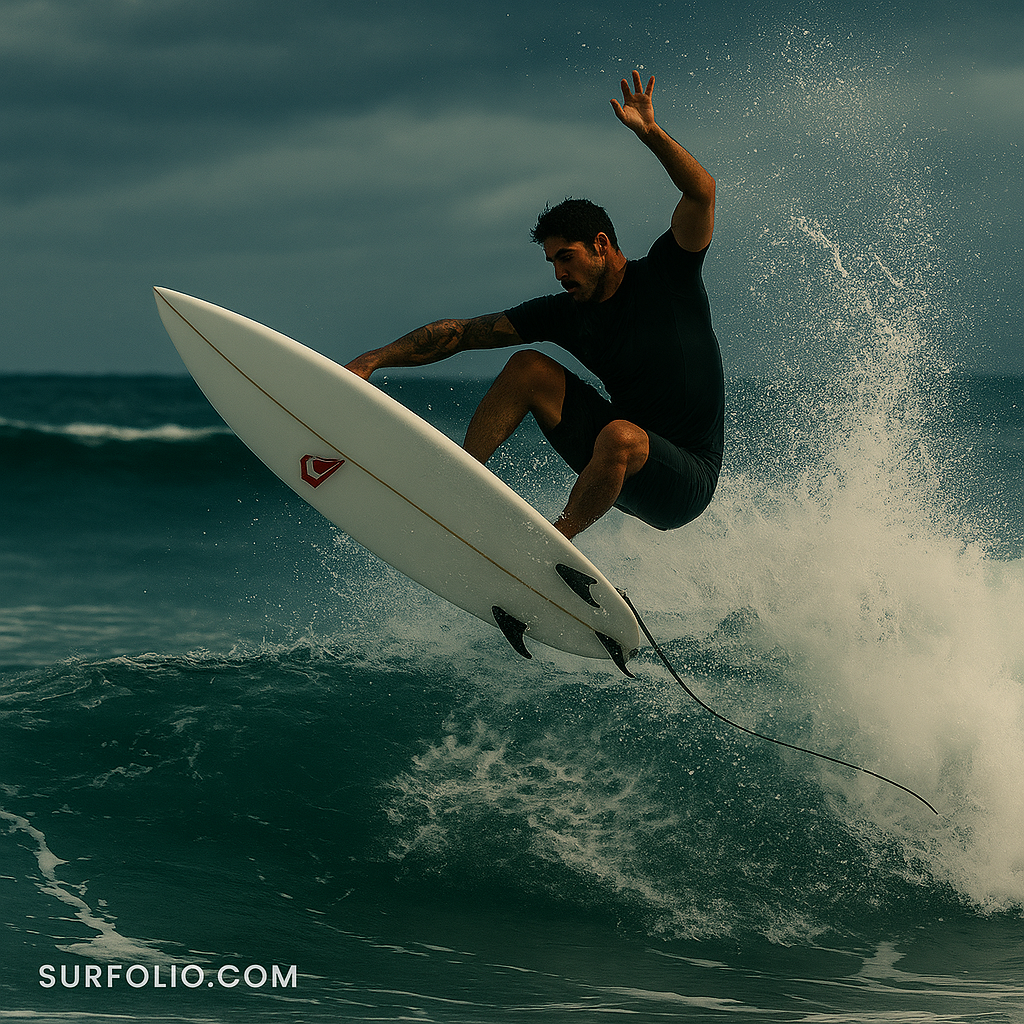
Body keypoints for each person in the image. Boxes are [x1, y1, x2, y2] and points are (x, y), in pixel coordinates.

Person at [346, 70, 724, 541]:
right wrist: (373, 360)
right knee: (527, 367)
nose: (559, 273)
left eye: (567, 257)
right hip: (617, 460)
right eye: (552, 262)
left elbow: (701, 192)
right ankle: (459, 487)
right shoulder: (566, 311)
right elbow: (463, 333)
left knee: (621, 435)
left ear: (601, 245)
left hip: (686, 478)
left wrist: (649, 132)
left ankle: (555, 545)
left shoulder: (669, 276)